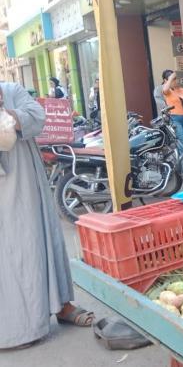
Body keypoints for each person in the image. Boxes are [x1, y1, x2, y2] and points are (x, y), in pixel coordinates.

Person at [0, 82, 94, 350]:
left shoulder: (11, 91)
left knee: (36, 243)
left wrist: (8, 113)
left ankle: (62, 305)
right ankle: (15, 327)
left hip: (24, 186)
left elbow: (36, 118)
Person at [161, 70, 183, 150]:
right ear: (165, 81)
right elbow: (165, 89)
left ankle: (182, 159)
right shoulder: (167, 91)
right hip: (175, 118)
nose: (175, 81)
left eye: (176, 79)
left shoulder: (182, 90)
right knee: (181, 139)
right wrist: (170, 78)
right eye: (173, 79)